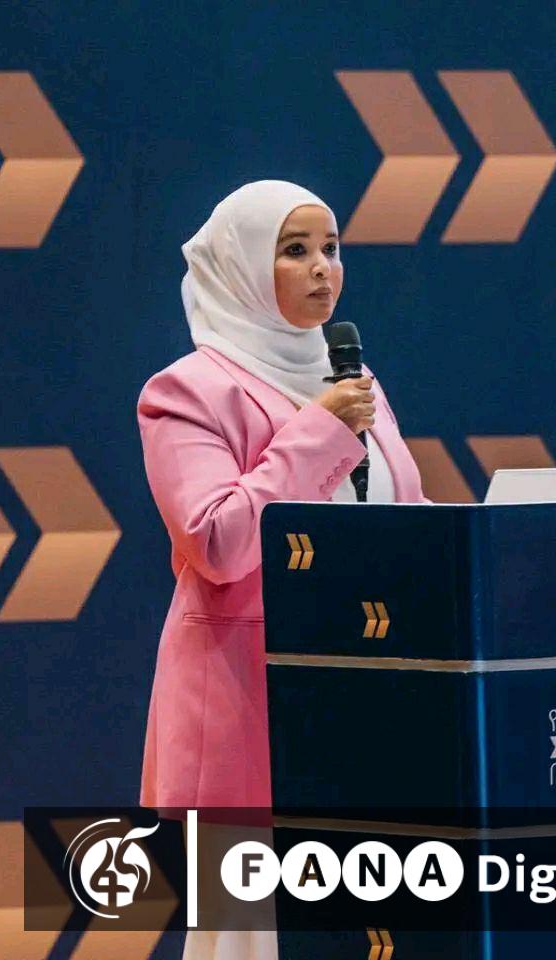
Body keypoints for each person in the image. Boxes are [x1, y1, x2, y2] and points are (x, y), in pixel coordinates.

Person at [136, 180, 428, 958]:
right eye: (294, 251)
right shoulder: (187, 392)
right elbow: (218, 542)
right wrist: (317, 433)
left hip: (362, 704)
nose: (322, 268)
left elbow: (399, 516)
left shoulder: (357, 385)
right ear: (239, 268)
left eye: (331, 247)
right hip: (247, 715)